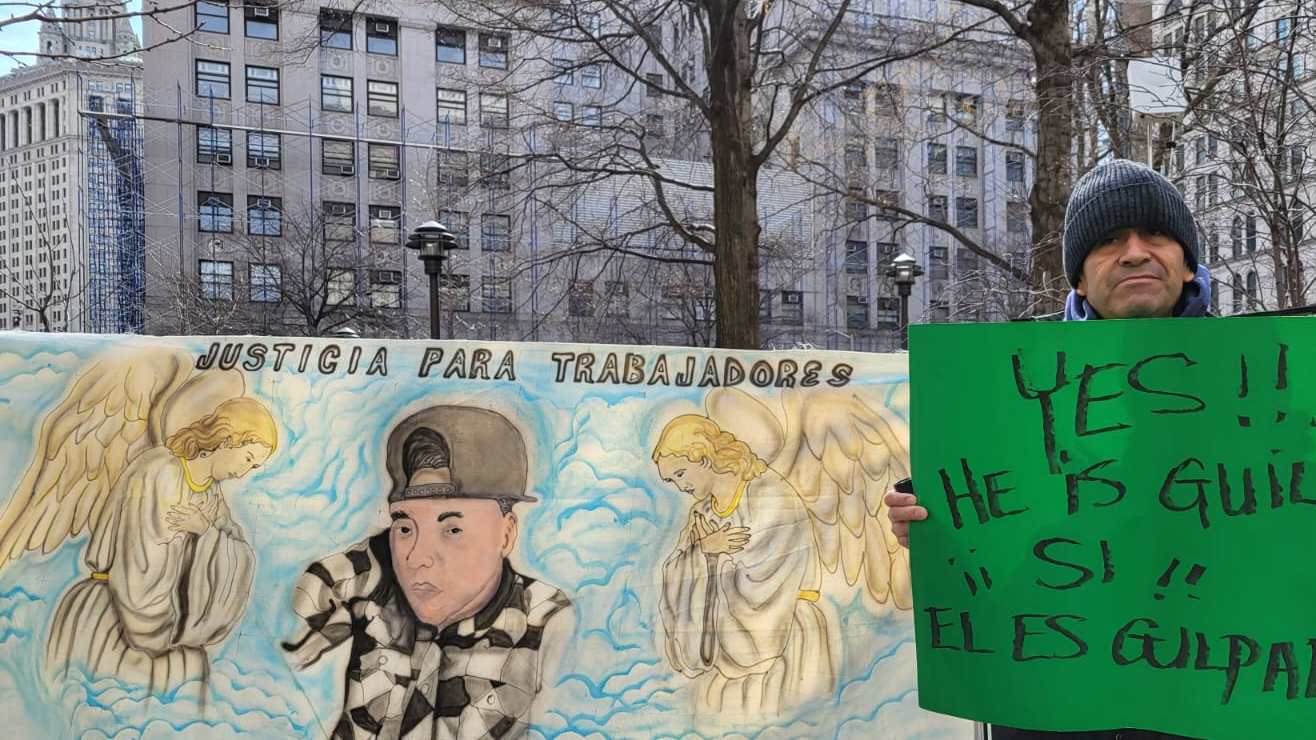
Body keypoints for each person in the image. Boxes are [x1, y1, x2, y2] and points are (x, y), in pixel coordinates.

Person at [885, 159, 1210, 740]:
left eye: (1156, 234)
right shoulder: (1009, 389)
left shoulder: (1274, 389)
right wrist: (931, 523)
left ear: (1187, 263)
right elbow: (985, 537)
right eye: (1109, 241)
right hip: (1051, 695)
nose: (1134, 253)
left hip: (1217, 690)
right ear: (1079, 279)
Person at [284, 405, 573, 740]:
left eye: (452, 530)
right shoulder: (373, 586)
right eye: (405, 527)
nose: (417, 558)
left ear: (506, 534)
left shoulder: (548, 623)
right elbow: (292, 623)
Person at [46, 396, 276, 692]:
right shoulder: (161, 471)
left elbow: (237, 551)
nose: (243, 473)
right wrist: (161, 639)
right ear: (227, 439)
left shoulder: (210, 493)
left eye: (253, 466)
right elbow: (140, 566)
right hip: (119, 619)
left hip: (166, 628)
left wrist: (205, 532)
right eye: (247, 458)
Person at [652, 414, 834, 719]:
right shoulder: (702, 512)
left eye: (681, 474)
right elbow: (675, 573)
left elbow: (766, 571)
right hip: (724, 649)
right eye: (672, 481)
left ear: (704, 458)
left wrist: (713, 556)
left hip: (784, 637)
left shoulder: (770, 494)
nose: (680, 486)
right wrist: (704, 553)